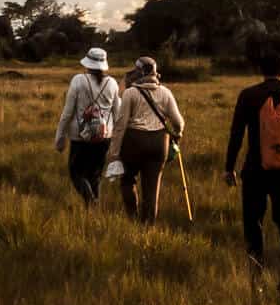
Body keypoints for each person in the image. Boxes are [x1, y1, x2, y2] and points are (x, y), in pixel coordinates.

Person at [223, 49, 280, 279]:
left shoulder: (248, 95)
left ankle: (256, 269)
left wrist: (229, 167)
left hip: (255, 169)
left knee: (253, 219)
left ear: (261, 71)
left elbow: (236, 134)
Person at [107, 56, 186, 222]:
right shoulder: (166, 92)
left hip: (134, 142)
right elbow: (178, 122)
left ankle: (133, 217)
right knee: (152, 188)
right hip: (159, 144)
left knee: (128, 180)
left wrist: (114, 153)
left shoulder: (130, 93)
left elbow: (121, 124)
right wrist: (177, 135)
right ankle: (148, 227)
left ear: (138, 72)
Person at [53, 47, 118, 205]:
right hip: (104, 136)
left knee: (76, 173)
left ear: (87, 64)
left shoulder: (78, 80)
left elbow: (68, 112)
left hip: (80, 136)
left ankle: (90, 202)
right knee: (95, 175)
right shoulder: (112, 83)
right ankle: (93, 208)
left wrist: (60, 137)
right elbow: (118, 113)